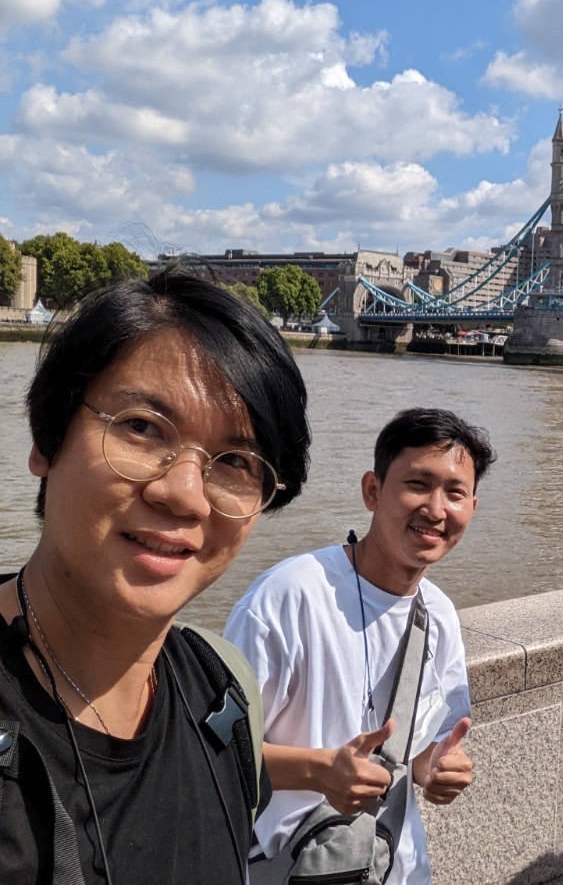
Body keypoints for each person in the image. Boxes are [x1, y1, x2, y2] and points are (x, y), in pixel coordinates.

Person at [0, 268, 311, 884]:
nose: (185, 496)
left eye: (236, 462)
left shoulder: (224, 695)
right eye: (142, 427)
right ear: (46, 435)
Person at [225, 407, 492, 885]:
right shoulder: (290, 595)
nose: (435, 509)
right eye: (417, 484)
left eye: (455, 493)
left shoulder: (440, 615)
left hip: (397, 868)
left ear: (472, 507)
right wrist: (319, 771)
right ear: (373, 490)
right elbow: (214, 753)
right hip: (290, 870)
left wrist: (438, 770)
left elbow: (427, 748)